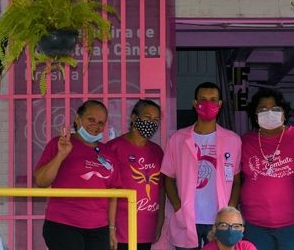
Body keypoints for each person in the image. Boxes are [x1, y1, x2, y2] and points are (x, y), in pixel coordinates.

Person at [162, 82, 243, 250]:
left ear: (220, 104)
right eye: (203, 99)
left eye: (213, 100)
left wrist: (231, 208)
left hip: (219, 219)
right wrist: (178, 206)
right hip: (187, 217)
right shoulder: (177, 139)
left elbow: (236, 180)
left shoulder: (233, 140)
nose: (208, 104)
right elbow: (168, 178)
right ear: (194, 103)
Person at [240, 88, 294, 250]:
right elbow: (232, 178)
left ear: (284, 113)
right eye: (262, 109)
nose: (269, 113)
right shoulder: (245, 141)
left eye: (275, 109)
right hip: (255, 226)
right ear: (254, 114)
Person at [34, 100, 116, 250]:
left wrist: (111, 229)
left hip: (99, 229)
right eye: (91, 119)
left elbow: (113, 195)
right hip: (63, 224)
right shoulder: (59, 144)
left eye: (101, 122)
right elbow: (41, 181)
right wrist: (61, 155)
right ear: (78, 119)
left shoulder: (108, 153)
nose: (96, 125)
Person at [106, 99, 165, 250]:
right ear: (134, 117)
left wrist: (159, 222)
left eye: (156, 120)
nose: (151, 123)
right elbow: (107, 190)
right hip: (120, 229)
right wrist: (111, 228)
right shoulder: (114, 147)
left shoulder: (157, 151)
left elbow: (161, 189)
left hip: (147, 227)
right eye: (147, 117)